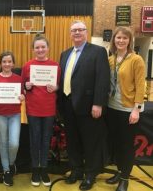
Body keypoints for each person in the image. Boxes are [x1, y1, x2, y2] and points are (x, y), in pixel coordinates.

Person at [58, 20, 110, 190]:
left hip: (89, 107)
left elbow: (103, 80)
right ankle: (76, 170)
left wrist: (98, 103)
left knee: (90, 142)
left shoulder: (98, 52)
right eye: (74, 30)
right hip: (67, 105)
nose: (77, 33)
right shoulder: (64, 54)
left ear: (86, 32)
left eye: (80, 30)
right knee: (72, 141)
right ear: (70, 34)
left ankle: (90, 174)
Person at [105, 27, 145, 191]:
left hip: (128, 109)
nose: (121, 41)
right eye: (118, 38)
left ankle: (125, 179)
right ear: (114, 40)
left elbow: (141, 86)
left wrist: (137, 109)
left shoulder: (136, 60)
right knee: (116, 144)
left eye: (124, 38)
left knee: (126, 145)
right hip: (111, 107)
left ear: (130, 41)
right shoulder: (111, 59)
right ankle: (120, 172)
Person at [21, 35, 61, 187]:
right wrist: (27, 86)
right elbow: (23, 86)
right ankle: (35, 170)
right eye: (37, 47)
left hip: (49, 109)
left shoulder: (55, 66)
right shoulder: (27, 66)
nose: (40, 50)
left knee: (45, 140)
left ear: (48, 48)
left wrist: (55, 87)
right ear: (33, 49)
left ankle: (44, 169)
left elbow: (59, 85)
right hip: (33, 109)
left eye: (43, 47)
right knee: (35, 140)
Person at [0, 51, 25, 186]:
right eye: (4, 61)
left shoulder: (18, 78)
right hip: (1, 115)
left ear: (13, 63)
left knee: (14, 143)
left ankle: (11, 163)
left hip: (15, 114)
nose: (7, 64)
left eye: (9, 61)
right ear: (1, 63)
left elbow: (22, 95)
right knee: (3, 142)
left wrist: (23, 97)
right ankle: (6, 170)